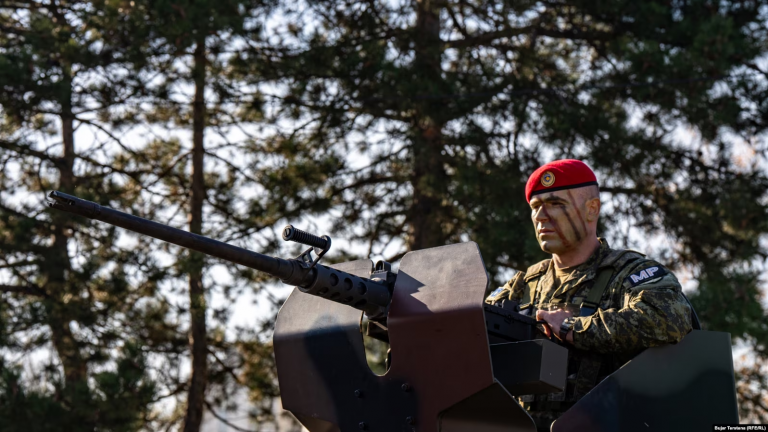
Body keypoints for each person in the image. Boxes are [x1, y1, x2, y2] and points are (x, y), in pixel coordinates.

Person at [485, 159, 693, 431]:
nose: (541, 216)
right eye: (535, 207)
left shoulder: (629, 272)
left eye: (556, 204)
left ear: (591, 209)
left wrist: (573, 328)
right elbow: (475, 329)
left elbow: (670, 318)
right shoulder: (523, 284)